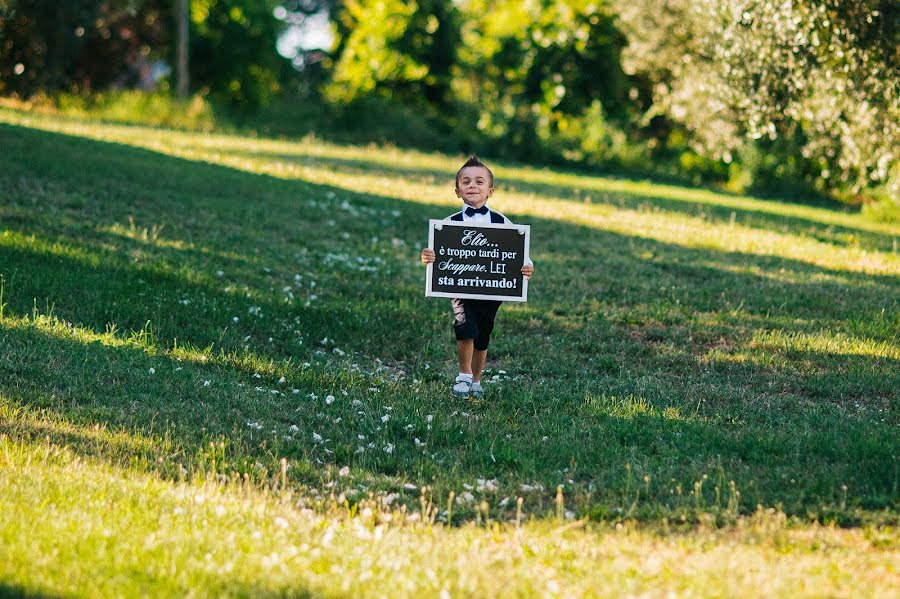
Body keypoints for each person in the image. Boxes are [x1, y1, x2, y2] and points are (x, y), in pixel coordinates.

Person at [421, 156, 534, 398]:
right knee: (464, 325)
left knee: (483, 333)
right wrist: (428, 257)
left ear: (490, 191)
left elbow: (516, 250)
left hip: (492, 288)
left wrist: (527, 266)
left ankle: (476, 379)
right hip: (461, 287)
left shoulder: (502, 222)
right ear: (457, 191)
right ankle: (463, 375)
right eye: (466, 181)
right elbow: (438, 253)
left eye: (479, 181)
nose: (472, 185)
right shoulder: (448, 225)